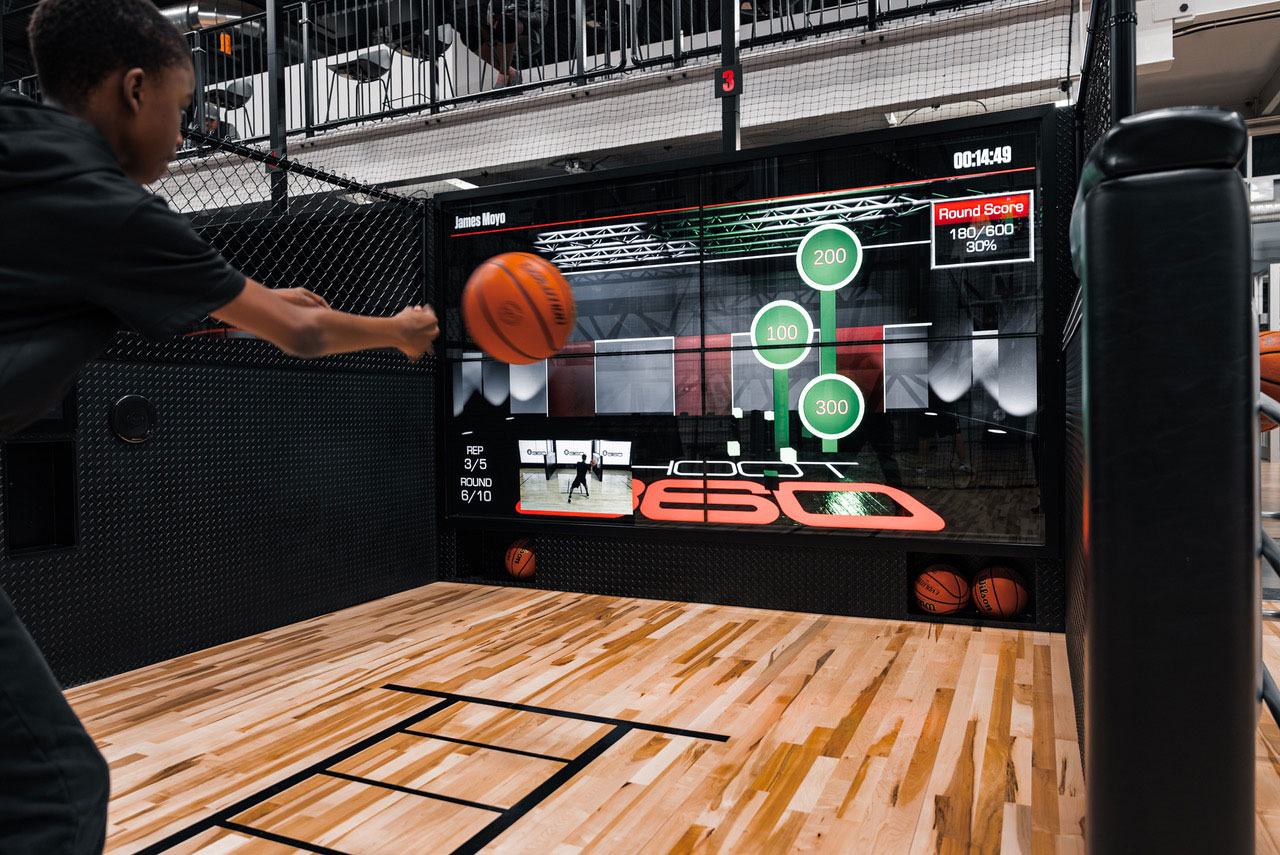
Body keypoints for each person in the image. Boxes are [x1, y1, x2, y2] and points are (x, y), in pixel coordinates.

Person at [0, 1, 439, 852]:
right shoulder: (109, 209)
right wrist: (398, 330)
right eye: (180, 105)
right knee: (56, 793)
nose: (184, 131)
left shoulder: (20, 140)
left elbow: (87, 286)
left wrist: (242, 308)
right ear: (133, 90)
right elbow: (304, 331)